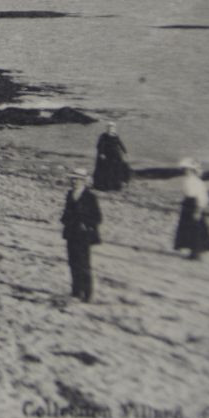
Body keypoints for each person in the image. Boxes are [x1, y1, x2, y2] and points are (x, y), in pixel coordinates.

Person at [61, 169, 101, 301]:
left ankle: (87, 294)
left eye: (77, 179)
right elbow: (66, 212)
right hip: (71, 233)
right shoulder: (70, 194)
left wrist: (86, 224)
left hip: (84, 235)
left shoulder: (90, 197)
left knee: (84, 264)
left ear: (84, 181)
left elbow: (97, 217)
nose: (74, 182)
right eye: (72, 179)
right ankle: (76, 291)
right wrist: (65, 220)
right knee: (72, 262)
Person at [173, 158, 209, 259]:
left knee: (196, 229)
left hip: (195, 205)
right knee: (188, 229)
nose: (185, 171)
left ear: (192, 171)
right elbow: (187, 194)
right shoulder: (186, 180)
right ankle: (192, 250)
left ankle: (196, 252)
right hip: (187, 205)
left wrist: (198, 210)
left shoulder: (198, 182)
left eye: (188, 169)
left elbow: (203, 197)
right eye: (184, 169)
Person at [92, 122, 131, 191]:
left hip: (116, 156)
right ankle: (106, 186)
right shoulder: (103, 136)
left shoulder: (115, 135)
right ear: (107, 128)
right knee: (108, 170)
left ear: (114, 128)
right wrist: (101, 153)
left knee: (117, 170)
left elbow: (120, 144)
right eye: (109, 127)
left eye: (112, 127)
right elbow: (100, 145)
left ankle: (117, 185)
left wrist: (125, 152)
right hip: (107, 156)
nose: (111, 129)